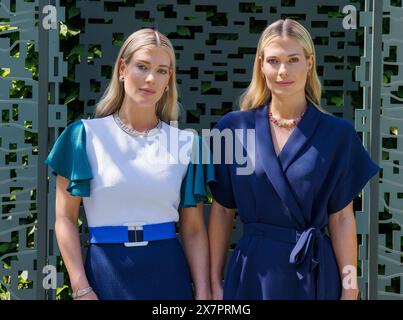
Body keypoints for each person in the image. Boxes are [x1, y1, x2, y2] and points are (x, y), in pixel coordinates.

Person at [207, 18, 379, 300]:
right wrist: (214, 281)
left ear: (309, 63)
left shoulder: (338, 134)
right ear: (261, 65)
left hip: (313, 274)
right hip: (252, 273)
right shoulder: (233, 129)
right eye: (273, 61)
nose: (283, 71)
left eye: (293, 60)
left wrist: (350, 287)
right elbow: (222, 211)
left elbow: (342, 219)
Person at [45, 28, 214, 300]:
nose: (151, 79)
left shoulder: (187, 144)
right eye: (142, 67)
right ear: (122, 69)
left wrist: (204, 291)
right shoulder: (83, 136)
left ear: (169, 78)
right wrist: (80, 287)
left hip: (168, 274)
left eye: (162, 70)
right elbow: (65, 218)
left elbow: (193, 229)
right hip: (105, 273)